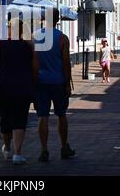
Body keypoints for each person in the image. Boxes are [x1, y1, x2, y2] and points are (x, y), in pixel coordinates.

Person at [0, 18, 38, 165]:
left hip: (4, 87)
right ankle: (17, 153)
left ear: (9, 28)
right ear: (23, 30)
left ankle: (8, 148)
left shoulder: (1, 43)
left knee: (6, 118)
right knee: (20, 119)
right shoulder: (29, 46)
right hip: (23, 87)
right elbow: (35, 68)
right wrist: (34, 84)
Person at [34, 8, 76, 162]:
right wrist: (67, 83)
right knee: (61, 115)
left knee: (42, 116)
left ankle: (44, 150)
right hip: (58, 82)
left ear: (45, 18)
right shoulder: (62, 38)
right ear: (58, 19)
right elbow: (66, 63)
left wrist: (35, 80)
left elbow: (34, 61)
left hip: (41, 82)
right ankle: (64, 147)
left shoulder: (36, 37)